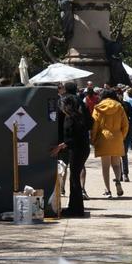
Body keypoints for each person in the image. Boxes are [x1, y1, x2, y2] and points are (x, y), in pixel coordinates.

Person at [55, 81, 93, 218]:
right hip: (82, 147)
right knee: (74, 177)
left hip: (78, 148)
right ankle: (75, 207)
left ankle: (76, 209)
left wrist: (60, 146)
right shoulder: (78, 112)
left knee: (74, 178)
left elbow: (71, 138)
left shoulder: (70, 119)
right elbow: (90, 123)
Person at [91, 86, 130, 198]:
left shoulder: (98, 107)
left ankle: (108, 190)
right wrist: (121, 136)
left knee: (105, 166)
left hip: (103, 137)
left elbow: (95, 125)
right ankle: (118, 181)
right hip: (117, 136)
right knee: (117, 164)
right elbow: (125, 125)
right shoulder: (119, 107)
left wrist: (93, 139)